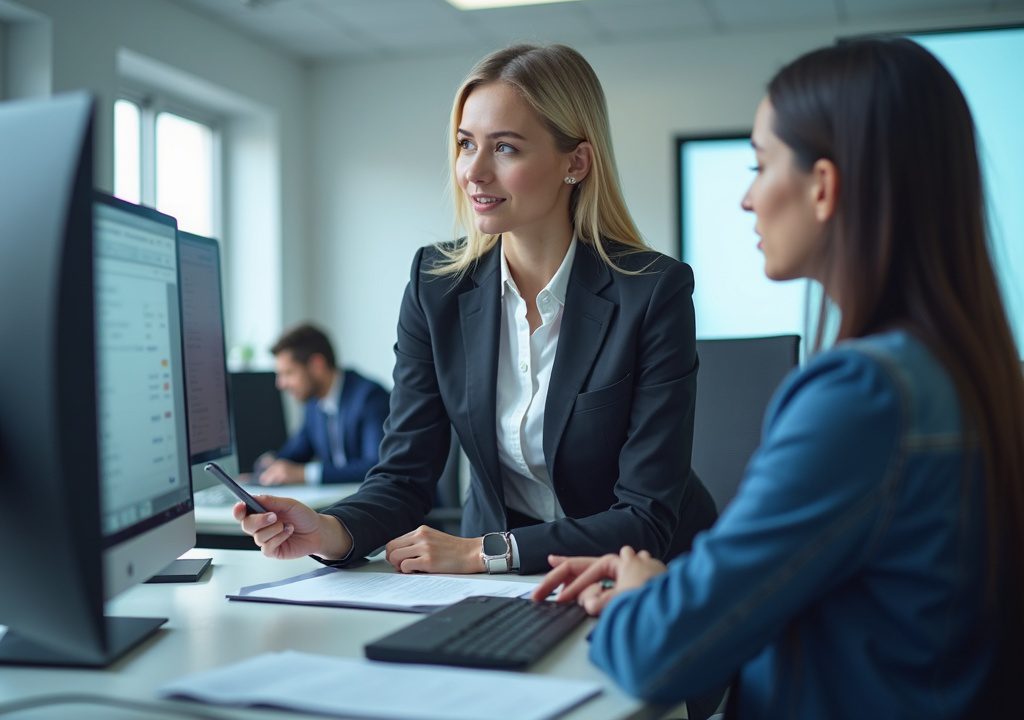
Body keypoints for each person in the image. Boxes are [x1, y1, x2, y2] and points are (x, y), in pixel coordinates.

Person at [533, 37, 1024, 717]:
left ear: (824, 187)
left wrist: (651, 598)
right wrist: (678, 583)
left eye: (760, 165)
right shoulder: (970, 374)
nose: (746, 199)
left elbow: (658, 651)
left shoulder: (863, 398)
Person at [234, 43, 717, 575]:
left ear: (575, 162)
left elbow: (644, 516)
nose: (474, 172)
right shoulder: (436, 287)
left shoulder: (651, 292)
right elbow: (403, 475)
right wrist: (328, 530)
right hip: (501, 585)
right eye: (467, 144)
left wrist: (485, 551)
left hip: (639, 577)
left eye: (505, 148)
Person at [254, 323, 389, 485]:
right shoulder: (313, 404)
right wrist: (271, 463)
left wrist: (304, 474)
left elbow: (375, 466)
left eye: (288, 373)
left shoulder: (369, 397)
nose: (280, 384)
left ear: (317, 365)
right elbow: (296, 451)